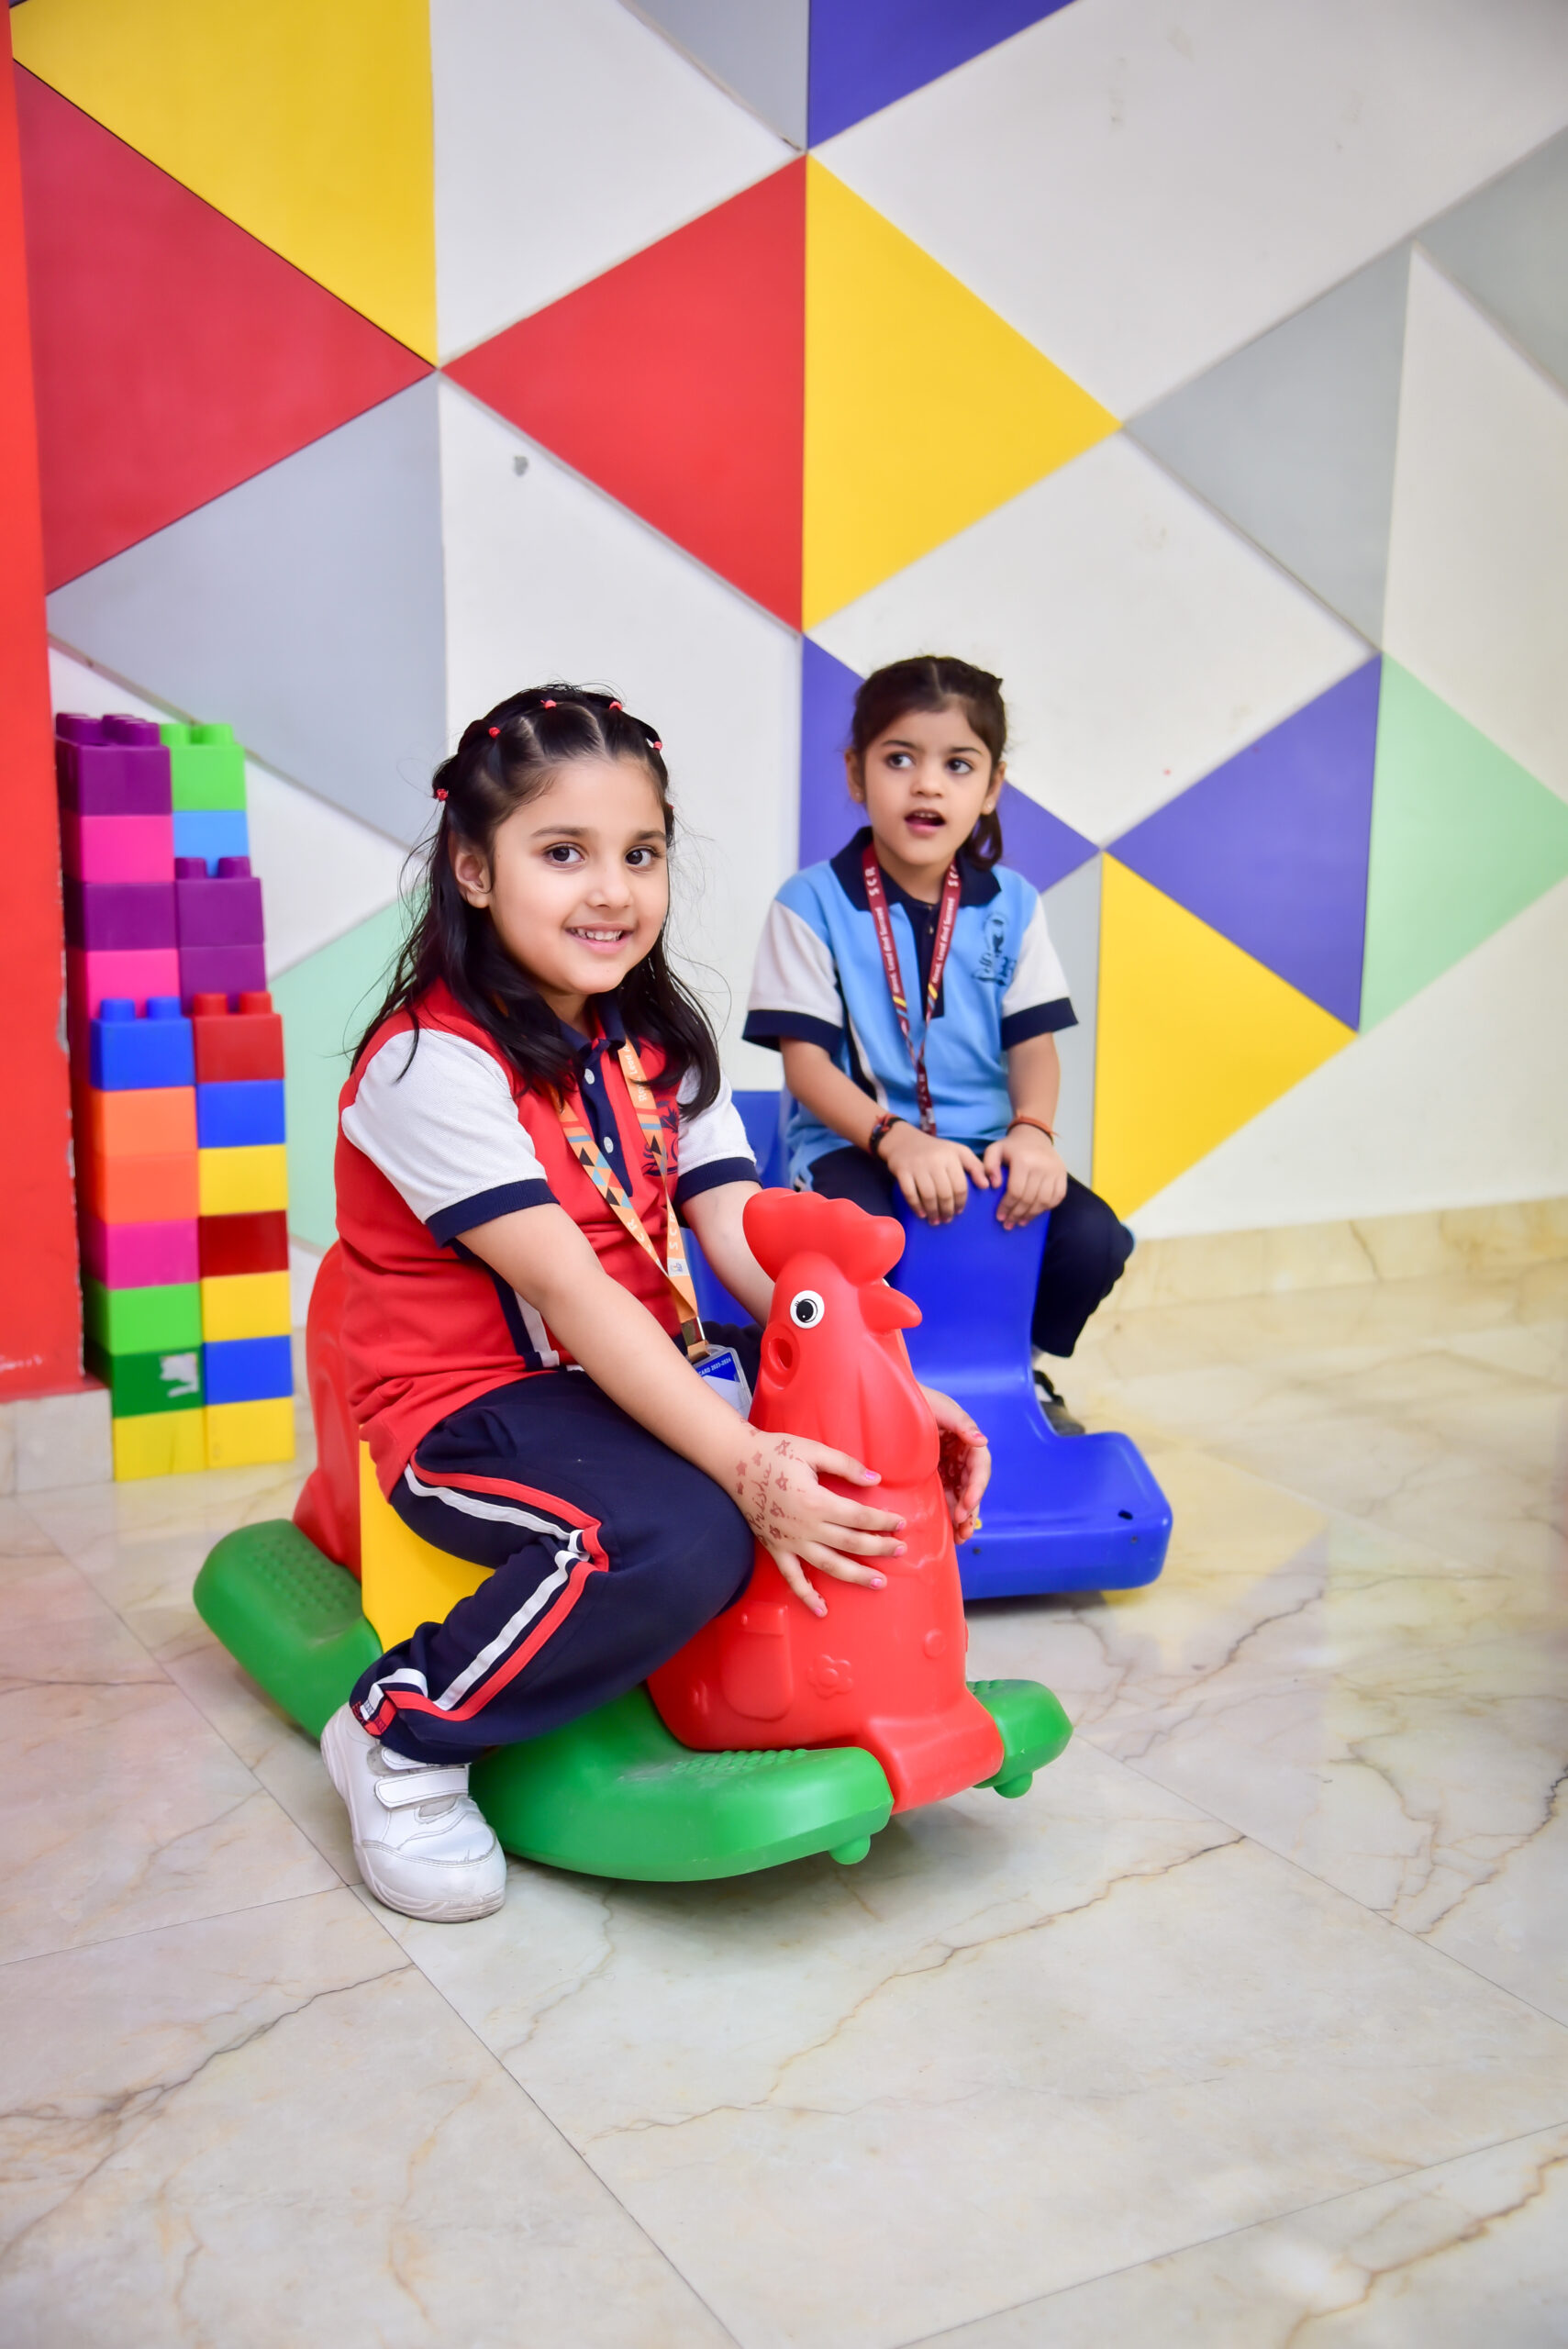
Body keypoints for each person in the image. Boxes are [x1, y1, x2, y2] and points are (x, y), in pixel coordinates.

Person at [319, 685, 990, 1922]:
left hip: (626, 1369)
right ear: (472, 869)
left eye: (640, 855)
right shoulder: (429, 1066)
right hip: (467, 1405)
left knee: (853, 1457)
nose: (612, 892)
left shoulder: (655, 1042)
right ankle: (400, 1735)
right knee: (680, 1536)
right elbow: (568, 1289)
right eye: (561, 853)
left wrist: (877, 1395)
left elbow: (733, 1233)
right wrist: (740, 1460)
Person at [744, 654, 1133, 1435]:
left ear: (990, 787)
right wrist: (896, 1140)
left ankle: (1011, 1365)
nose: (927, 786)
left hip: (984, 1141)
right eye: (899, 760)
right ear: (854, 773)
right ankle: (865, 1381)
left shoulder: (1013, 904)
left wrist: (1032, 1131)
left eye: (957, 765)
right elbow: (806, 1067)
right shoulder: (808, 903)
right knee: (855, 1249)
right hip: (853, 1140)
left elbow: (1033, 1046)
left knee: (1094, 1239)